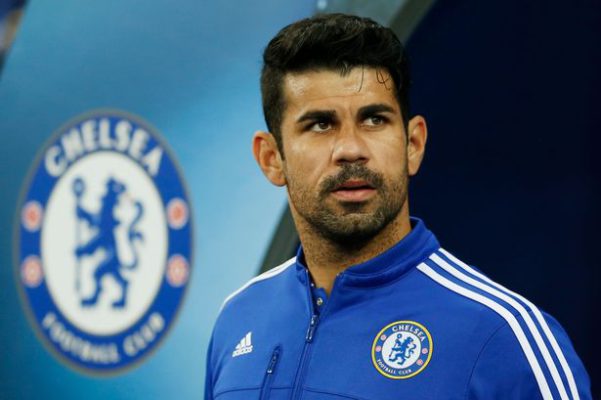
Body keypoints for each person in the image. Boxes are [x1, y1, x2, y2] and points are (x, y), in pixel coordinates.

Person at [204, 13, 591, 399]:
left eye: (374, 119)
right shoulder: (238, 317)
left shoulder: (504, 337)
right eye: (321, 124)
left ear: (413, 145)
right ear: (272, 158)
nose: (351, 149)